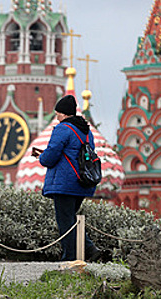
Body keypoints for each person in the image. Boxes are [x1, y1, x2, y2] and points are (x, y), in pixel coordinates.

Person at [32, 95, 108, 262]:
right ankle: (89, 251)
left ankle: (72, 257)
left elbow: (50, 157)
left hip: (64, 183)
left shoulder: (62, 129)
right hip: (83, 182)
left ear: (64, 114)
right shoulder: (86, 131)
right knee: (72, 219)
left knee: (66, 222)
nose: (57, 117)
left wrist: (41, 157)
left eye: (58, 114)